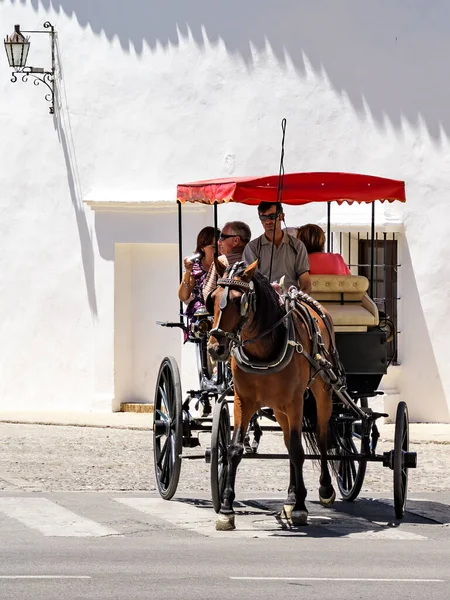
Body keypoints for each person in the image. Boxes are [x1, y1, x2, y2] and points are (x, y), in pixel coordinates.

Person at [242, 201, 311, 294]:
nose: (267, 221)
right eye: (263, 217)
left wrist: (298, 300)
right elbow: (249, 280)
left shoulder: (297, 246)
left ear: (281, 216)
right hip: (263, 299)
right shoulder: (252, 248)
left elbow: (305, 283)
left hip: (290, 300)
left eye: (272, 217)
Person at [202, 221, 251, 302]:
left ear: (236, 240)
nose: (219, 242)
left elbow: (207, 294)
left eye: (222, 237)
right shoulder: (255, 257)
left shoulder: (222, 261)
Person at [178, 226, 220, 320]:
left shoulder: (224, 265)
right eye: (213, 247)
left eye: (219, 246)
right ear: (202, 247)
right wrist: (188, 272)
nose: (217, 250)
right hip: (201, 316)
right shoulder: (195, 267)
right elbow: (183, 296)